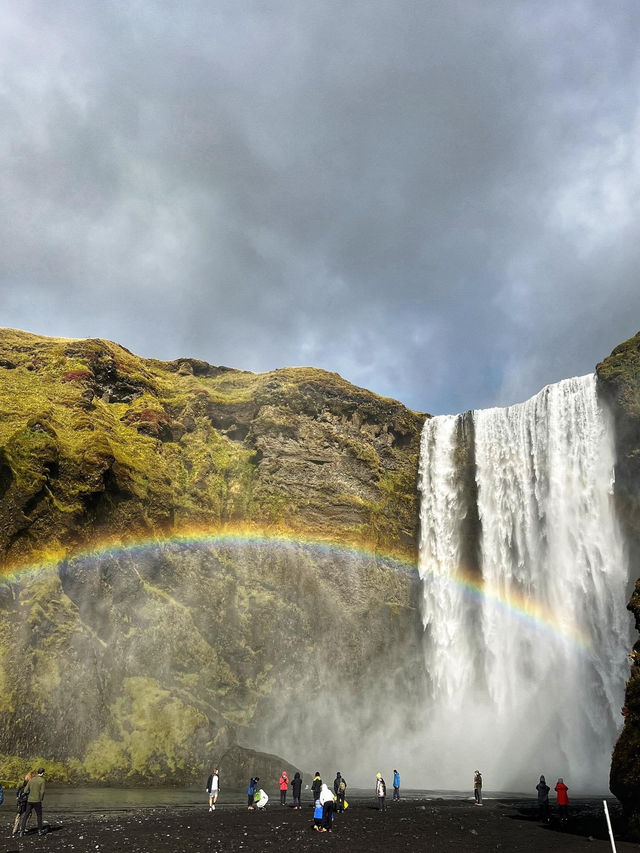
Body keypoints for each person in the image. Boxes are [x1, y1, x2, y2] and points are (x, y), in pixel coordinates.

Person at [19, 767, 46, 837]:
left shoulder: (32, 779)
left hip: (30, 800)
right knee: (39, 815)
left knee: (26, 815)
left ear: (37, 772)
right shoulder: (42, 780)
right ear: (43, 773)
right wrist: (41, 798)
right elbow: (42, 791)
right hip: (37, 801)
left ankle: (22, 831)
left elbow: (25, 790)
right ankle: (40, 831)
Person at [12, 772, 34, 837]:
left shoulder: (22, 785)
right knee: (28, 814)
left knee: (19, 814)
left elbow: (18, 794)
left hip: (21, 801)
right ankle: (23, 827)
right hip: (27, 800)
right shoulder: (31, 783)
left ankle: (15, 828)